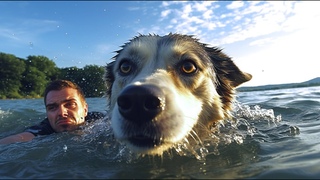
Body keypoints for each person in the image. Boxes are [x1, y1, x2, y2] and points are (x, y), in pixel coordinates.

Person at [0, 80, 105, 144]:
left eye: (70, 104)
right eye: (52, 107)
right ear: (47, 113)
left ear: (85, 109)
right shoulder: (44, 129)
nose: (61, 112)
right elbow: (18, 138)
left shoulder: (100, 120)